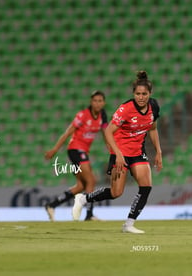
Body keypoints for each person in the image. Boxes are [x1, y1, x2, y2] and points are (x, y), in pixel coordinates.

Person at [72, 71, 163, 234]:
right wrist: (118, 155)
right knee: (116, 193)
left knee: (146, 186)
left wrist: (158, 151)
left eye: (144, 94)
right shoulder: (126, 109)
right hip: (119, 150)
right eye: (137, 93)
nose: (141, 97)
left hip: (137, 151)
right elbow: (108, 131)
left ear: (150, 94)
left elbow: (153, 128)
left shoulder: (154, 107)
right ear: (133, 93)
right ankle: (83, 198)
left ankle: (128, 224)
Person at [44, 90, 108, 221]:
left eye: (100, 101)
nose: (97, 103)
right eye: (95, 101)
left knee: (81, 186)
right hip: (75, 150)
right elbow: (67, 133)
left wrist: (111, 148)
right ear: (91, 102)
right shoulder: (83, 115)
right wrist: (55, 149)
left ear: (104, 103)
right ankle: (89, 215)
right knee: (91, 180)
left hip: (83, 151)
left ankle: (51, 205)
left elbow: (106, 133)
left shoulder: (103, 116)